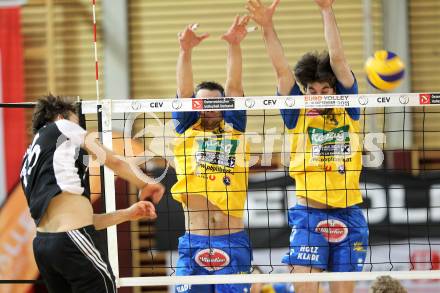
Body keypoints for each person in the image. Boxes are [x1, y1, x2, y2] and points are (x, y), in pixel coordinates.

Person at [247, 1, 368, 293]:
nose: (318, 96)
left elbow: (338, 59)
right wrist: (267, 26)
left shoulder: (348, 109)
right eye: (311, 91)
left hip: (348, 215)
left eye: (325, 90)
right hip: (309, 215)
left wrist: (326, 9)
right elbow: (281, 70)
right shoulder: (296, 112)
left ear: (336, 90)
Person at [20, 95, 165, 293]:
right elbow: (112, 160)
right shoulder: (62, 126)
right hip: (70, 241)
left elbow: (81, 222)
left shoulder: (30, 159)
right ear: (62, 117)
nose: (78, 127)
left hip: (44, 247)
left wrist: (127, 214)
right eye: (76, 122)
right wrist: (144, 184)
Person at [171, 16, 252, 293]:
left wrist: (234, 45)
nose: (209, 107)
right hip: (195, 241)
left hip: (232, 240)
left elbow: (235, 86)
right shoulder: (186, 129)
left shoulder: (235, 128)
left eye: (215, 102)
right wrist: (185, 51)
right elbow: (184, 92)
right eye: (202, 102)